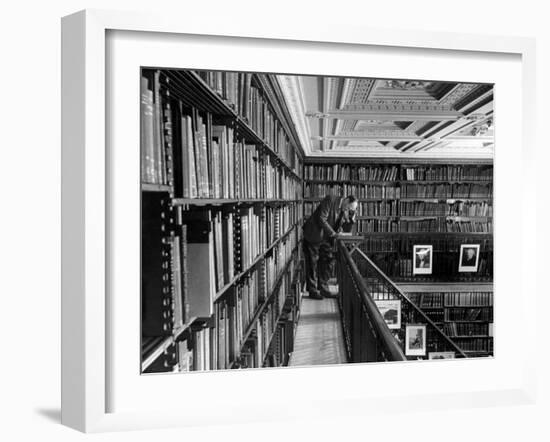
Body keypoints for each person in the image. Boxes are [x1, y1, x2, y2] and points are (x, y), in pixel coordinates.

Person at [302, 195, 358, 299]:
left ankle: (323, 288)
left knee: (329, 260)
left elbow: (345, 229)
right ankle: (312, 291)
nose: (349, 210)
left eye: (352, 209)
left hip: (326, 238)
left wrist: (351, 219)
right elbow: (321, 219)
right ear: (346, 200)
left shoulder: (344, 211)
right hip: (313, 234)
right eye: (350, 207)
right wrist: (333, 234)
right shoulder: (330, 200)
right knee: (312, 263)